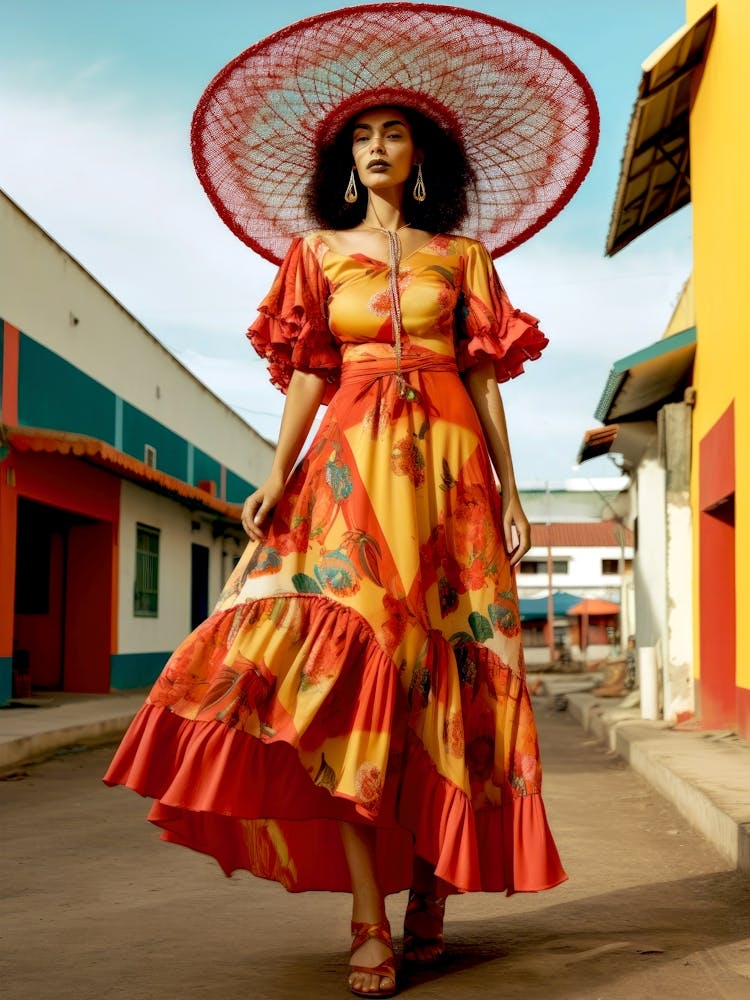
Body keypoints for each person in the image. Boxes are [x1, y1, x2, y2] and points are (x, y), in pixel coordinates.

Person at [104, 5, 598, 997]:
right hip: (351, 471)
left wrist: (508, 490)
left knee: (441, 684)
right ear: (346, 158)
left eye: (394, 132)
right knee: (338, 681)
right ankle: (368, 911)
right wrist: (275, 476)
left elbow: (488, 375)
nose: (378, 146)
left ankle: (428, 897)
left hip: (452, 474)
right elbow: (305, 374)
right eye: (363, 135)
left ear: (422, 156)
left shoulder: (465, 262)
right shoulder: (316, 256)